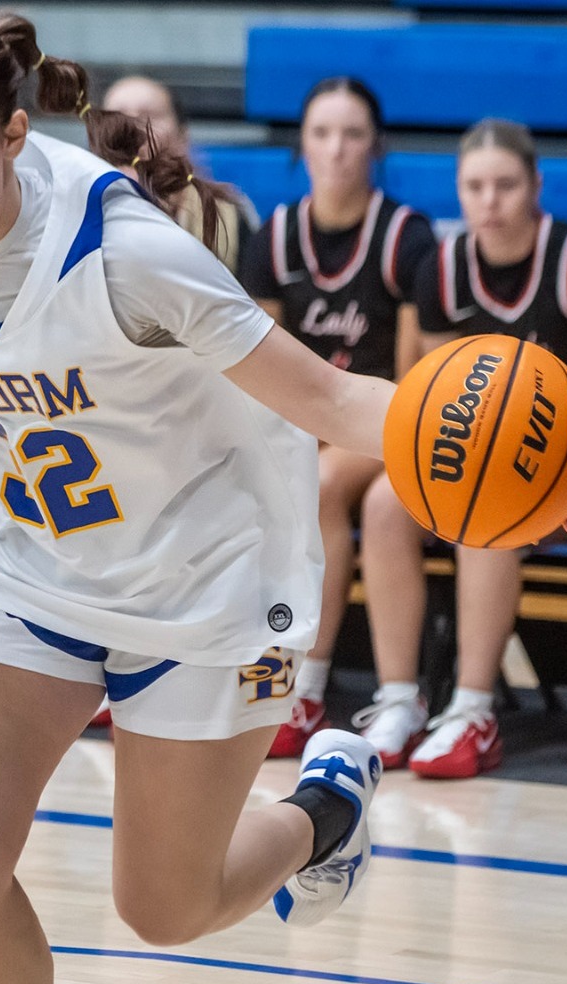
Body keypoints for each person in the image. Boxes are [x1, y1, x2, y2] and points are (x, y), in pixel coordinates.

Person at [0, 14, 392, 984]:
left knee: (166, 908)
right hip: (29, 568)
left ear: (14, 131)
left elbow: (325, 398)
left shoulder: (126, 253)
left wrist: (540, 454)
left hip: (210, 573)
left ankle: (325, 808)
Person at [356, 119, 567, 777]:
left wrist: (519, 442)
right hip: (482, 454)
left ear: (536, 184)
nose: (490, 200)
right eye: (475, 186)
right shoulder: (441, 271)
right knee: (385, 499)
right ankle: (399, 698)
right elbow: (431, 397)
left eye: (505, 184)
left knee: (494, 505)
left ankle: (474, 708)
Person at [235, 76, 435, 760]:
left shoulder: (407, 238)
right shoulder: (274, 238)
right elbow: (261, 368)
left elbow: (414, 382)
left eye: (352, 135)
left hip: (387, 426)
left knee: (316, 485)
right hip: (302, 424)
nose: (336, 149)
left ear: (375, 146)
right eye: (322, 133)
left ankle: (310, 682)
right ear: (303, 145)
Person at [99, 74, 253, 269]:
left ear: (182, 136)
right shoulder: (70, 211)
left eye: (148, 115)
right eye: (116, 117)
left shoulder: (227, 215)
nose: (132, 126)